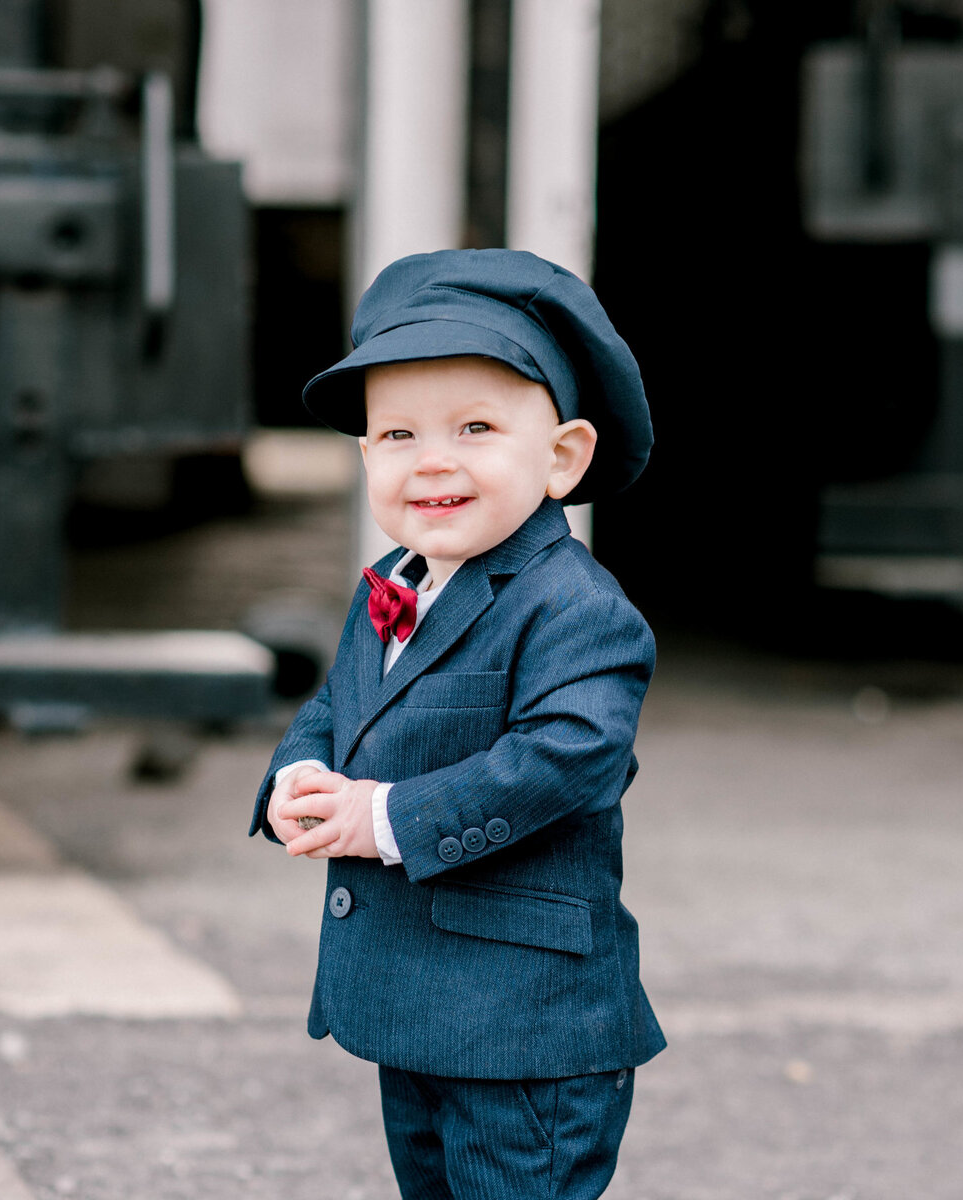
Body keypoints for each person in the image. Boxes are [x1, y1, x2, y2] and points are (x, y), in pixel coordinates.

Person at [251, 248, 663, 1199]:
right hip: (417, 1007)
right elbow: (335, 705)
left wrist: (383, 818)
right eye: (396, 434)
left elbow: (571, 755)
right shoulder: (393, 585)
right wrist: (299, 775)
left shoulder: (576, 608)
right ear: (364, 457)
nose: (432, 459)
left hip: (526, 1028)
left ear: (562, 456)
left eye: (475, 427)